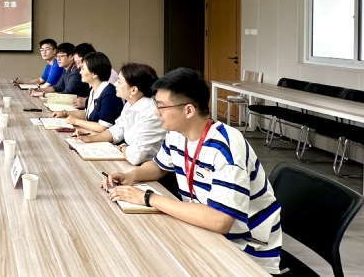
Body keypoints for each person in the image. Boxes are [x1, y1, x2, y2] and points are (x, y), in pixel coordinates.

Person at [102, 68, 281, 274]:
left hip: (244, 251)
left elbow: (220, 220)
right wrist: (130, 176)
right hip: (202, 229)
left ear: (188, 110)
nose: (156, 113)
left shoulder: (227, 147)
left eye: (161, 106)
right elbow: (159, 166)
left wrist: (148, 198)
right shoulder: (177, 134)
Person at [70, 62, 165, 165]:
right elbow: (116, 131)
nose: (115, 84)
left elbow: (135, 157)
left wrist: (123, 147)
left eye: (119, 82)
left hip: (149, 167)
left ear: (133, 90)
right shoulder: (130, 104)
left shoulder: (150, 113)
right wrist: (89, 138)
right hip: (130, 160)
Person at [51, 52, 123, 128]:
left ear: (95, 74)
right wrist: (64, 113)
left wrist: (76, 121)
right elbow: (87, 114)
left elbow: (102, 127)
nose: (80, 72)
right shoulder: (93, 89)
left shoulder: (109, 94)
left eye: (83, 69)